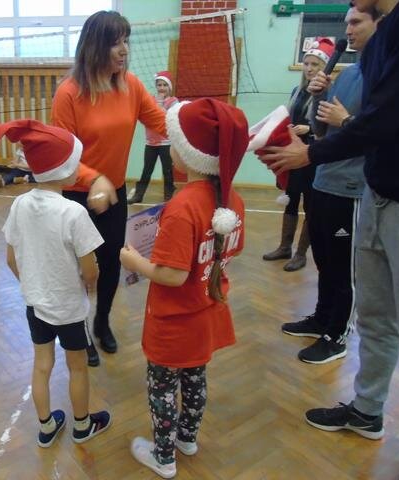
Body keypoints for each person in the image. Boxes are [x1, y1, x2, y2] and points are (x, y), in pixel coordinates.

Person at [259, 0, 399, 477]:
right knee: (376, 317)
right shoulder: (382, 43)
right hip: (376, 192)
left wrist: (313, 152)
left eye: (356, 20)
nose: (349, 25)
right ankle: (367, 410)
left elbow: (378, 121)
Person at [120, 98, 247, 479]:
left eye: (174, 139)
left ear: (189, 153)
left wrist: (134, 262)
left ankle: (163, 457)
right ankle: (187, 439)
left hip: (173, 321)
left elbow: (172, 275)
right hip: (206, 314)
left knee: (162, 387)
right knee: (194, 377)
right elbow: (231, 251)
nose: (169, 144)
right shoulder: (233, 200)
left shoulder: (182, 206)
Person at [51, 10, 167, 365]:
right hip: (76, 197)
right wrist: (93, 178)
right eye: (116, 43)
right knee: (81, 270)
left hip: (114, 195)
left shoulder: (130, 85)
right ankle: (80, 331)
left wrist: (200, 129)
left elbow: (162, 122)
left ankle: (101, 322)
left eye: (126, 41)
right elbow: (63, 156)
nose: (124, 50)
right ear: (95, 46)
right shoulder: (68, 93)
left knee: (111, 265)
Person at [0, 119, 112, 448]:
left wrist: (33, 285)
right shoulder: (73, 212)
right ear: (65, 170)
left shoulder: (19, 204)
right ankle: (82, 425)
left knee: (42, 366)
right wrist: (90, 286)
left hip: (35, 304)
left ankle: (46, 427)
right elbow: (90, 269)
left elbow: (11, 259)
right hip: (69, 308)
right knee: (78, 367)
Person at [281, 6, 378, 364]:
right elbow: (322, 130)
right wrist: (320, 96)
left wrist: (346, 118)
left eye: (356, 22)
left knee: (344, 268)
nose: (348, 30)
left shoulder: (384, 74)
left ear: (380, 23)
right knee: (323, 259)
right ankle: (321, 318)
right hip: (324, 179)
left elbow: (377, 133)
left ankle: (337, 335)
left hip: (351, 187)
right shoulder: (349, 73)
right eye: (347, 23)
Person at [263, 38, 334, 272]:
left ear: (324, 67)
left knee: (310, 206)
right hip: (293, 154)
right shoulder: (297, 92)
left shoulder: (328, 92)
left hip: (312, 156)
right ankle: (285, 247)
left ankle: (301, 253)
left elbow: (329, 127)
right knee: (291, 201)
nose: (309, 68)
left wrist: (310, 130)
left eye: (315, 64)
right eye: (306, 63)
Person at [128, 70, 178, 204]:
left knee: (167, 171)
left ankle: (168, 196)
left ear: (169, 87)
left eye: (165, 85)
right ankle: (139, 195)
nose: (161, 88)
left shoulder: (173, 101)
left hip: (166, 143)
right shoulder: (150, 99)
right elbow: (147, 114)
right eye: (159, 85)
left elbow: (164, 117)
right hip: (150, 143)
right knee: (147, 170)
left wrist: (160, 102)